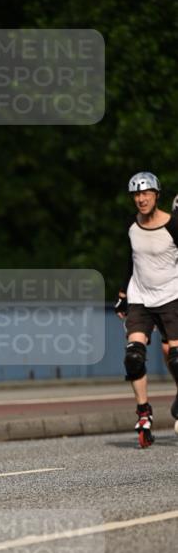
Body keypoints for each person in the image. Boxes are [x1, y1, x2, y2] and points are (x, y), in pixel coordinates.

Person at [114, 172, 178, 446]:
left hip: (171, 296)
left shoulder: (173, 225)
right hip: (140, 297)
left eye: (146, 194)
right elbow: (132, 260)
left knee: (175, 358)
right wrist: (122, 294)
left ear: (156, 195)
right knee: (133, 357)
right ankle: (143, 413)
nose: (141, 199)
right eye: (136, 195)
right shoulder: (131, 226)